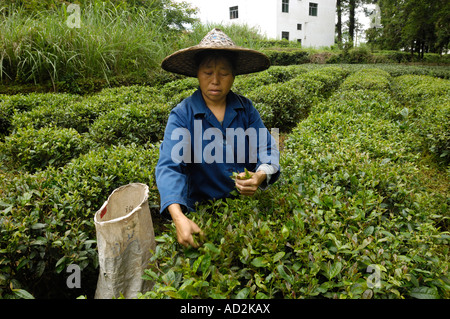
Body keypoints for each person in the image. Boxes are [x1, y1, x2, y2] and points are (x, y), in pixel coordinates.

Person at [155, 29, 280, 248]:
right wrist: (178, 217)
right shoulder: (183, 115)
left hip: (245, 208)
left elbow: (267, 149)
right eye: (207, 72)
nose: (215, 80)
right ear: (197, 74)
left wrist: (259, 176)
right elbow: (169, 167)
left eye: (223, 73)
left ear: (233, 76)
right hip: (204, 212)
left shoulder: (246, 109)